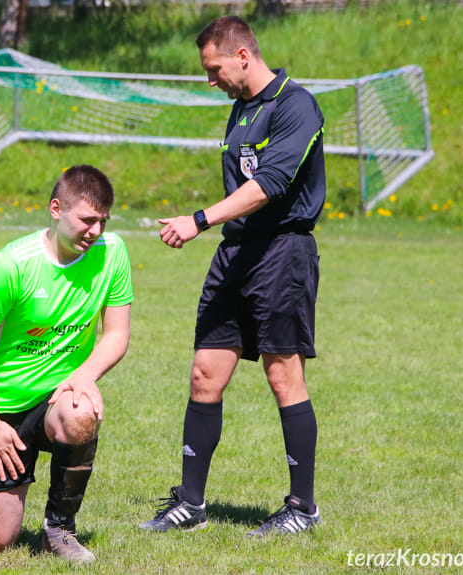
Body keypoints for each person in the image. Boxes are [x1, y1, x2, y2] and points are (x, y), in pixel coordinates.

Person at [139, 15, 325, 537]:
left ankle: (302, 509)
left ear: (242, 55)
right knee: (204, 373)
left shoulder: (296, 105)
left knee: (282, 376)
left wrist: (198, 220)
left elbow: (269, 183)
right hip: (236, 253)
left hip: (281, 253)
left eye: (214, 68)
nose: (210, 79)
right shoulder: (241, 109)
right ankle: (191, 504)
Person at [0, 164, 133, 562]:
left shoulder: (112, 253)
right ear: (56, 209)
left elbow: (117, 333)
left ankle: (59, 530)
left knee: (81, 410)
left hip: (56, 399)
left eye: (102, 221)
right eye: (87, 220)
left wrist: (84, 376)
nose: (96, 232)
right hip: (3, 413)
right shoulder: (12, 265)